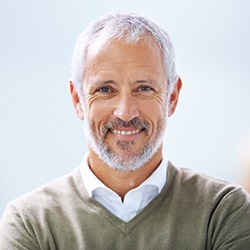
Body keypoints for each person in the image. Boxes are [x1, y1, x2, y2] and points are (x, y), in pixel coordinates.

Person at [0, 12, 250, 249]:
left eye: (143, 88)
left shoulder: (221, 211)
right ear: (78, 100)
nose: (125, 112)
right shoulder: (30, 222)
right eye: (105, 90)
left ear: (172, 97)